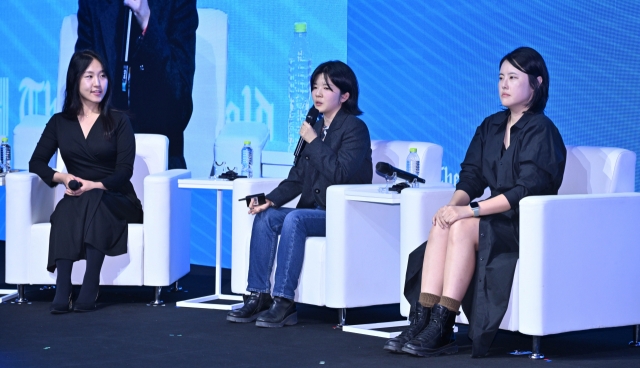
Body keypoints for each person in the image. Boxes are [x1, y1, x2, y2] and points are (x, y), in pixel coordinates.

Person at [384, 47, 566, 357]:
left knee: (463, 227)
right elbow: (470, 177)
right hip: (491, 217)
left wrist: (469, 211)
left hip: (523, 225)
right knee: (443, 224)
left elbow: (524, 191)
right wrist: (451, 208)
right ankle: (423, 319)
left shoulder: (542, 130)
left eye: (513, 77)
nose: (504, 84)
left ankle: (444, 323)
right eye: (500, 77)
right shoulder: (491, 125)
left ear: (536, 83)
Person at [227, 61, 373, 328]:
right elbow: (297, 178)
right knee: (268, 216)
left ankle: (284, 301)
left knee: (295, 220)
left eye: (326, 88)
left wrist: (314, 141)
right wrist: (269, 199)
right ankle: (258, 294)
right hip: (314, 211)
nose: (317, 94)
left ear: (345, 95)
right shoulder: (315, 128)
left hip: (342, 215)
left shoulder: (354, 129)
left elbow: (339, 173)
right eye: (315, 87)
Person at [30, 50, 143, 314]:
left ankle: (91, 282)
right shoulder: (59, 122)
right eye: (89, 76)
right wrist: (64, 178)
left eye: (102, 76)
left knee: (92, 199)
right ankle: (64, 286)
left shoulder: (118, 121)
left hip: (117, 197)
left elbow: (124, 172)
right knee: (65, 208)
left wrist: (94, 185)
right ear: (75, 80)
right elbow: (36, 163)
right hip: (80, 197)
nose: (97, 83)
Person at [75, 0, 198, 169]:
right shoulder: (94, 4)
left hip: (159, 164)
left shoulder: (178, 4)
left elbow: (179, 108)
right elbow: (80, 90)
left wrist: (147, 21)